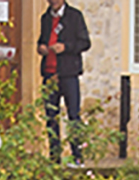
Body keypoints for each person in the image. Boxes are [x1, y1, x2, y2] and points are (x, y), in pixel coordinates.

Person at [34, 0, 88, 162]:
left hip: (68, 73)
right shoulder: (45, 18)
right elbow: (41, 40)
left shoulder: (74, 16)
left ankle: (77, 156)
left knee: (73, 115)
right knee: (51, 116)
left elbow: (85, 42)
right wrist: (41, 48)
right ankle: (54, 156)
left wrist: (66, 47)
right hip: (49, 74)